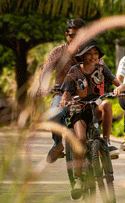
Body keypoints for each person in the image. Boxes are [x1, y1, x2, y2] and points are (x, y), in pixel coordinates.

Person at [59, 39, 125, 198]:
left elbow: (119, 83)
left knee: (107, 104)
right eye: (89, 54)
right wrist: (63, 100)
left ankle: (106, 142)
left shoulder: (102, 69)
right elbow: (66, 93)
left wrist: (119, 89)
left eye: (96, 53)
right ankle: (78, 179)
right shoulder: (74, 72)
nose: (93, 56)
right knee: (81, 139)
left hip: (95, 107)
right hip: (78, 110)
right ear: (82, 56)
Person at [39, 18, 108, 163]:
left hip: (89, 96)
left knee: (102, 109)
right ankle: (58, 144)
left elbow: (102, 70)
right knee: (54, 113)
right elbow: (45, 71)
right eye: (72, 35)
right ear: (66, 36)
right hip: (63, 95)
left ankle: (99, 142)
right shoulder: (57, 52)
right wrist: (43, 87)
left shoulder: (91, 52)